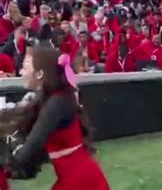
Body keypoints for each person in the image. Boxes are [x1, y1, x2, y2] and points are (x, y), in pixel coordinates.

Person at [6, 47, 109, 190]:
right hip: (76, 177)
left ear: (40, 74)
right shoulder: (51, 99)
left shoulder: (57, 102)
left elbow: (34, 142)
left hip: (80, 181)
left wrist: (7, 169)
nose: (21, 72)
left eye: (25, 67)